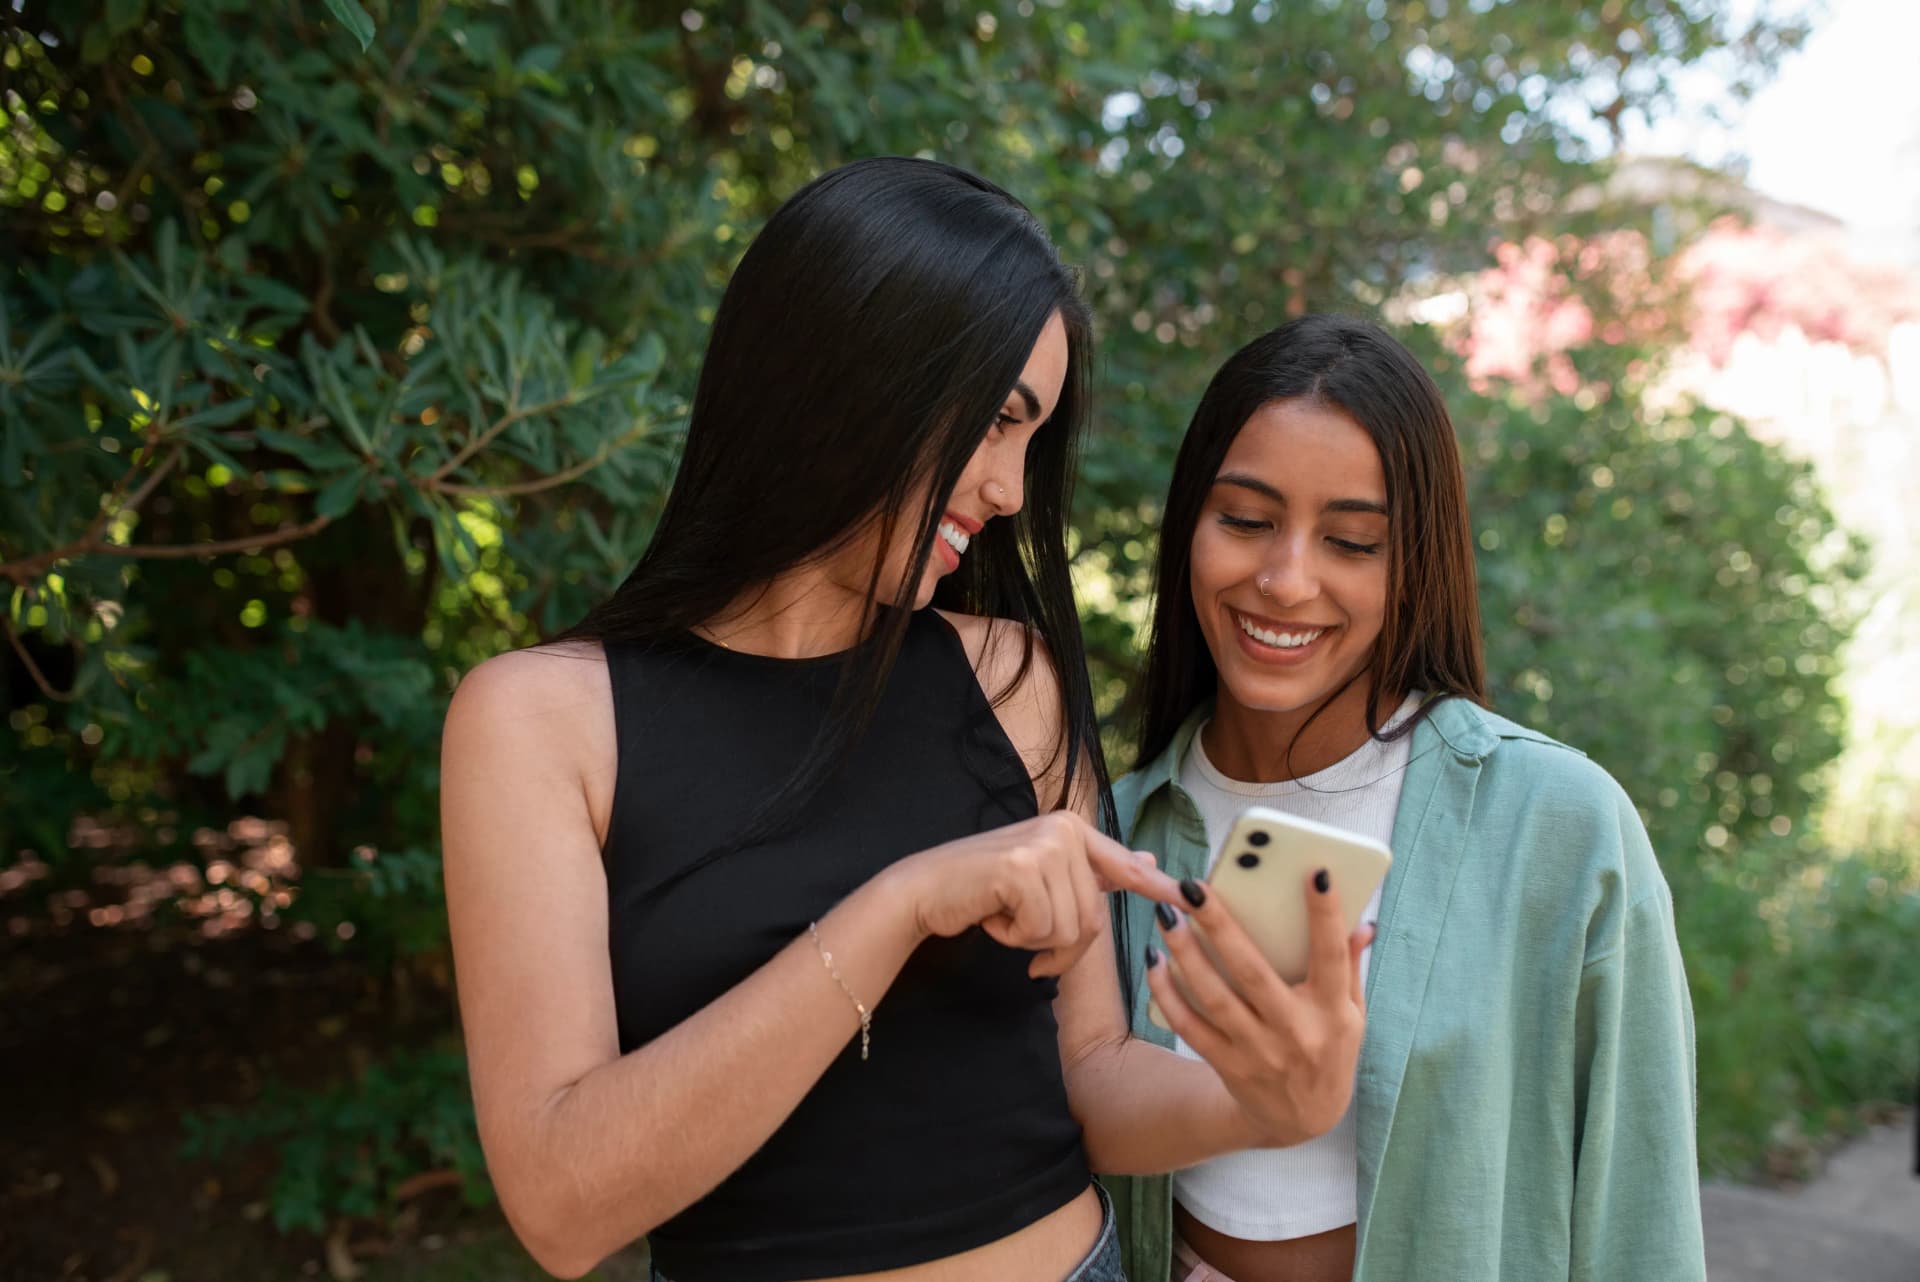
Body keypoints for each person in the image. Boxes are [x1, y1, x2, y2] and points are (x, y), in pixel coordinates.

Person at [439, 158, 1371, 1282]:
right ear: (853, 374)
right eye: (996, 422)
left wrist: (1257, 1104)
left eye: (1033, 438)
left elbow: (1089, 1074)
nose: (1013, 491)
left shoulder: (1013, 676)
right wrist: (901, 905)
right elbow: (561, 1209)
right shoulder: (544, 718)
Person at [1105, 314, 1706, 1282]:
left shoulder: (1557, 823)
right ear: (1188, 527)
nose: (1285, 580)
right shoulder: (1116, 830)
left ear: (1415, 560)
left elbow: (1643, 1221)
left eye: (1352, 541)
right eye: (1247, 520)